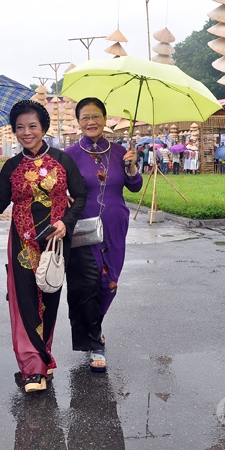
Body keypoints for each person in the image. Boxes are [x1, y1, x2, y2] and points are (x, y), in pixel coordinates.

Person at [0, 100, 87, 393]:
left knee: (50, 298)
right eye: (20, 128)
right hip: (22, 242)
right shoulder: (12, 166)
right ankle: (33, 369)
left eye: (32, 126)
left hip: (55, 242)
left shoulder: (63, 160)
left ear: (44, 128)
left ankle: (45, 358)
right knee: (27, 300)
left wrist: (67, 222)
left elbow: (80, 197)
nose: (26, 132)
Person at [65, 97, 143, 372]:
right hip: (83, 227)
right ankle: (95, 341)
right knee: (88, 284)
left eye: (95, 116)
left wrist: (132, 167)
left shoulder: (122, 151)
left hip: (115, 224)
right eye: (84, 117)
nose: (90, 122)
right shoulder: (70, 154)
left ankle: (94, 327)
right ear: (78, 122)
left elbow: (134, 187)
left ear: (105, 119)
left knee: (109, 281)